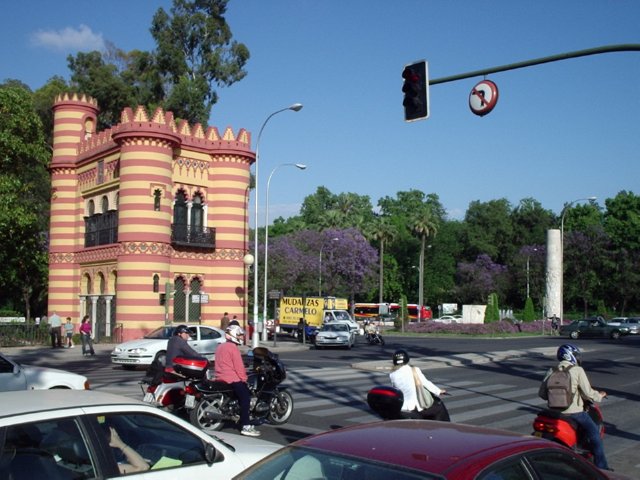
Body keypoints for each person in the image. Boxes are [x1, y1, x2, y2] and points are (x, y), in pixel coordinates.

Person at [538, 344, 610, 470]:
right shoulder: (577, 370)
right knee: (594, 435)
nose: (577, 357)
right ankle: (602, 467)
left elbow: (542, 394)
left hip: (554, 413)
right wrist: (600, 395)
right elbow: (588, 393)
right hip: (575, 413)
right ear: (570, 355)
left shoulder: (552, 370)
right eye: (576, 355)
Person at [214, 325, 260, 437]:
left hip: (220, 377)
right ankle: (246, 426)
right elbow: (238, 367)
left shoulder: (220, 347)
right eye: (239, 335)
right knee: (245, 398)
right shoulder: (233, 348)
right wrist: (244, 379)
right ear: (233, 334)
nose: (240, 337)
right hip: (232, 378)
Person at [389, 349, 450, 421]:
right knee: (439, 408)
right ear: (407, 359)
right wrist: (438, 391)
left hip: (402, 407)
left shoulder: (392, 375)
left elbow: (395, 390)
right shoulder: (414, 370)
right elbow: (425, 383)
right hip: (415, 407)